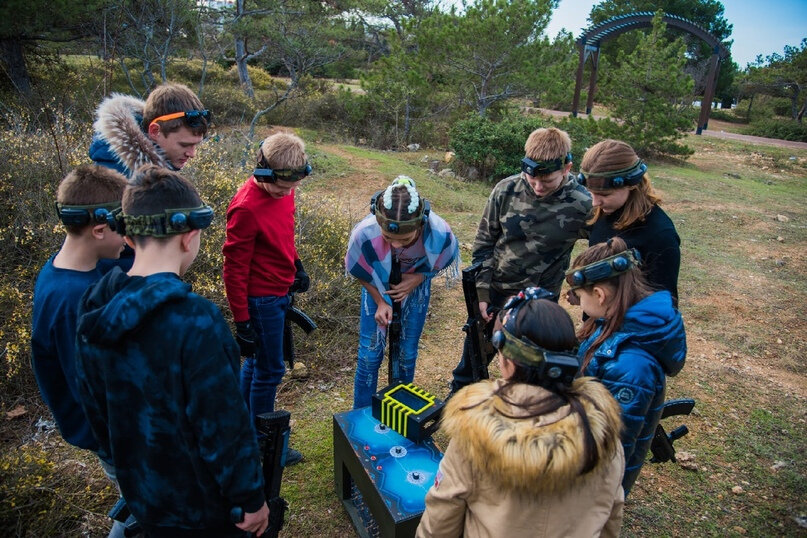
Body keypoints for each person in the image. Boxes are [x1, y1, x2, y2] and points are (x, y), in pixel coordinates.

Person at [74, 165, 269, 537]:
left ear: (129, 238)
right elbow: (223, 429)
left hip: (143, 499)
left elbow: (97, 412)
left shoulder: (94, 306)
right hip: (202, 511)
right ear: (189, 237)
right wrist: (250, 500)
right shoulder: (196, 321)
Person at [417, 288, 625, 538]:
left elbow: (441, 519)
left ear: (508, 359)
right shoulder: (604, 437)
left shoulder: (474, 434)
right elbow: (610, 518)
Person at [448, 127, 591, 396]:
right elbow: (483, 245)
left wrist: (582, 289)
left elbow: (601, 249)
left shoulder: (582, 204)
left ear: (567, 168)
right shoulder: (506, 190)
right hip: (496, 292)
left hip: (540, 304)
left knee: (530, 369)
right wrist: (482, 293)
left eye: (547, 181)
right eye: (532, 178)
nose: (537, 187)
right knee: (474, 359)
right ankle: (459, 404)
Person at [31, 164, 128, 538]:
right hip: (118, 439)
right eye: (126, 226)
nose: (129, 237)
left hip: (118, 433)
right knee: (143, 511)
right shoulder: (73, 299)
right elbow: (93, 392)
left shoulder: (77, 270)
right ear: (101, 229)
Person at [567, 237, 687, 495]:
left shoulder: (632, 367)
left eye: (579, 296)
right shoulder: (614, 323)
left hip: (591, 488)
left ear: (599, 295)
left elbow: (608, 449)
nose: (578, 302)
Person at [222, 131, 312, 466]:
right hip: (261, 299)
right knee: (271, 370)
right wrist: (242, 320)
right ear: (263, 170)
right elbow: (233, 269)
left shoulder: (284, 192)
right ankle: (263, 446)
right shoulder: (245, 207)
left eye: (292, 187)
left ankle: (245, 432)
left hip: (280, 291)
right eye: (280, 187)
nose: (286, 194)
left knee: (259, 365)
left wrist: (296, 265)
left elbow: (284, 234)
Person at [345, 175, 459, 409]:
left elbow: (445, 259)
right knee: (369, 355)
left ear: (420, 224)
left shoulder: (438, 232)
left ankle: (400, 411)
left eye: (405, 239)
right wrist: (379, 301)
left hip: (415, 290)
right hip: (377, 288)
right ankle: (363, 416)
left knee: (406, 354)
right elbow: (358, 269)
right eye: (388, 238)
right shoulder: (364, 232)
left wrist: (417, 278)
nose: (395, 245)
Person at [576, 139, 681, 305]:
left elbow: (664, 307)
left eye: (605, 195)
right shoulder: (603, 214)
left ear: (632, 184)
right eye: (591, 193)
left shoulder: (660, 235)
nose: (595, 203)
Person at [89, 82, 209, 178]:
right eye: (184, 145)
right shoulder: (118, 182)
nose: (192, 154)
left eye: (195, 145)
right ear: (155, 131)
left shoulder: (148, 171)